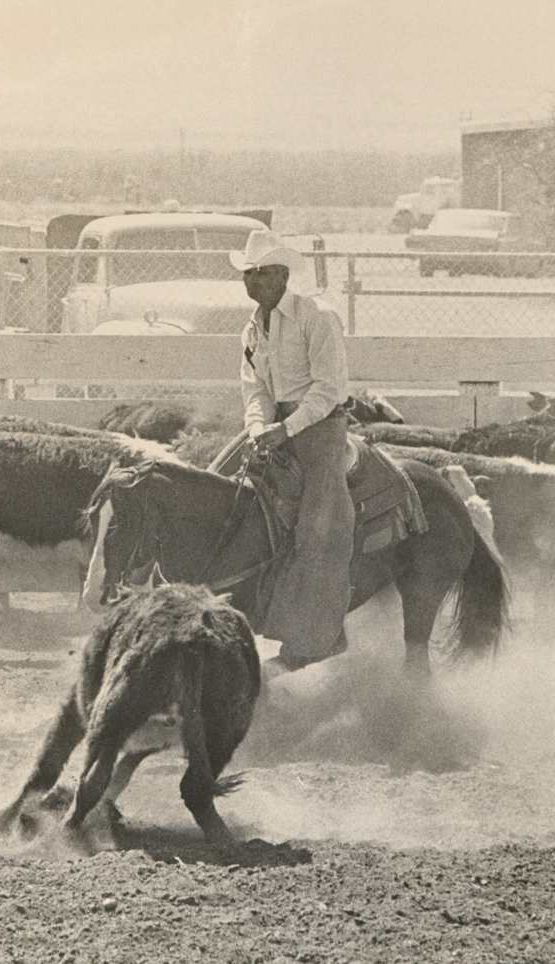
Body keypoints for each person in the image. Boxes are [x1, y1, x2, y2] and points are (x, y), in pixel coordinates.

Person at [230, 230, 354, 676]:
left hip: (320, 427)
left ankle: (316, 639)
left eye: (262, 273)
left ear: (283, 275)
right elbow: (255, 389)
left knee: (318, 529)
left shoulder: (316, 316)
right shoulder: (251, 329)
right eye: (249, 273)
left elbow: (328, 389)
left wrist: (285, 429)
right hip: (274, 426)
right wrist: (257, 427)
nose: (254, 281)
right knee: (218, 487)